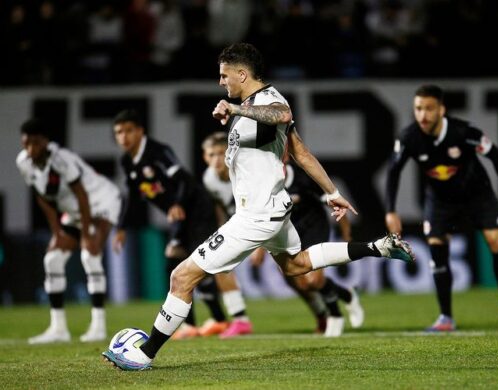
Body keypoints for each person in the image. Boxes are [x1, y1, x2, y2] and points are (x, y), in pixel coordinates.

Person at [103, 42, 414, 370]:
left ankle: (144, 354)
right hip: (271, 210)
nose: (221, 82)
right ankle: (378, 247)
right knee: (296, 265)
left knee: (182, 277)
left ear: (242, 74)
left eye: (224, 76)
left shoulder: (268, 100)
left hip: (257, 214)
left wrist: (236, 110)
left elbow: (281, 114)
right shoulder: (253, 105)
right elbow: (301, 153)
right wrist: (332, 191)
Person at [384, 84, 498, 332]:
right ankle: (446, 318)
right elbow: (393, 172)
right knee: (437, 248)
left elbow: (496, 155)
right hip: (440, 201)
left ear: (442, 110)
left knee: (496, 242)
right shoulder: (409, 138)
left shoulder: (463, 132)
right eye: (418, 109)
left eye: (429, 109)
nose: (423, 115)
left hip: (477, 195)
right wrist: (390, 210)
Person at [202, 132, 362, 337]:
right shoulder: (232, 178)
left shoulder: (301, 176)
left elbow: (334, 200)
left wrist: (346, 235)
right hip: (285, 227)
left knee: (312, 280)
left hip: (313, 224)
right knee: (297, 280)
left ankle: (334, 316)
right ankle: (345, 295)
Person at [111, 109, 250, 339]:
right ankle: (206, 322)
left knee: (194, 264)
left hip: (196, 210)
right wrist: (122, 226)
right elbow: (133, 195)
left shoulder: (158, 152)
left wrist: (175, 203)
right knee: (179, 265)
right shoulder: (128, 161)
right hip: (181, 216)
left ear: (140, 131)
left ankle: (210, 321)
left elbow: (184, 179)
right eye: (118, 132)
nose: (123, 137)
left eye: (128, 131)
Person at [17, 118, 121, 344]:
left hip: (101, 202)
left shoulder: (61, 159)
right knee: (52, 259)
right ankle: (58, 328)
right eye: (26, 144)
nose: (31, 149)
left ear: (45, 141)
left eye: (35, 143)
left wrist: (86, 234)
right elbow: (41, 196)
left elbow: (82, 195)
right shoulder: (23, 162)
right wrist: (56, 232)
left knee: (89, 255)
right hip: (74, 210)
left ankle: (98, 326)